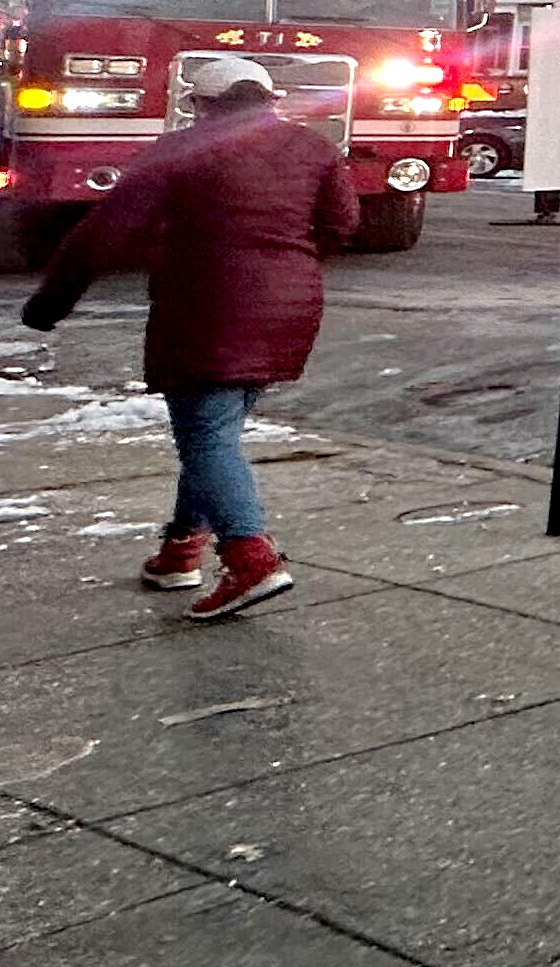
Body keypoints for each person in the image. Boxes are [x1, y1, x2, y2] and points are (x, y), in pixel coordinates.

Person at [19, 55, 354, 620]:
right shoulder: (315, 148)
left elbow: (102, 235)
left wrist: (50, 304)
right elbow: (342, 225)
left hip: (208, 307)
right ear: (268, 99)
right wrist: (285, 268)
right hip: (292, 308)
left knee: (207, 437)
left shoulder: (179, 151)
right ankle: (180, 552)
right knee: (213, 432)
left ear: (200, 104)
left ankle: (251, 559)